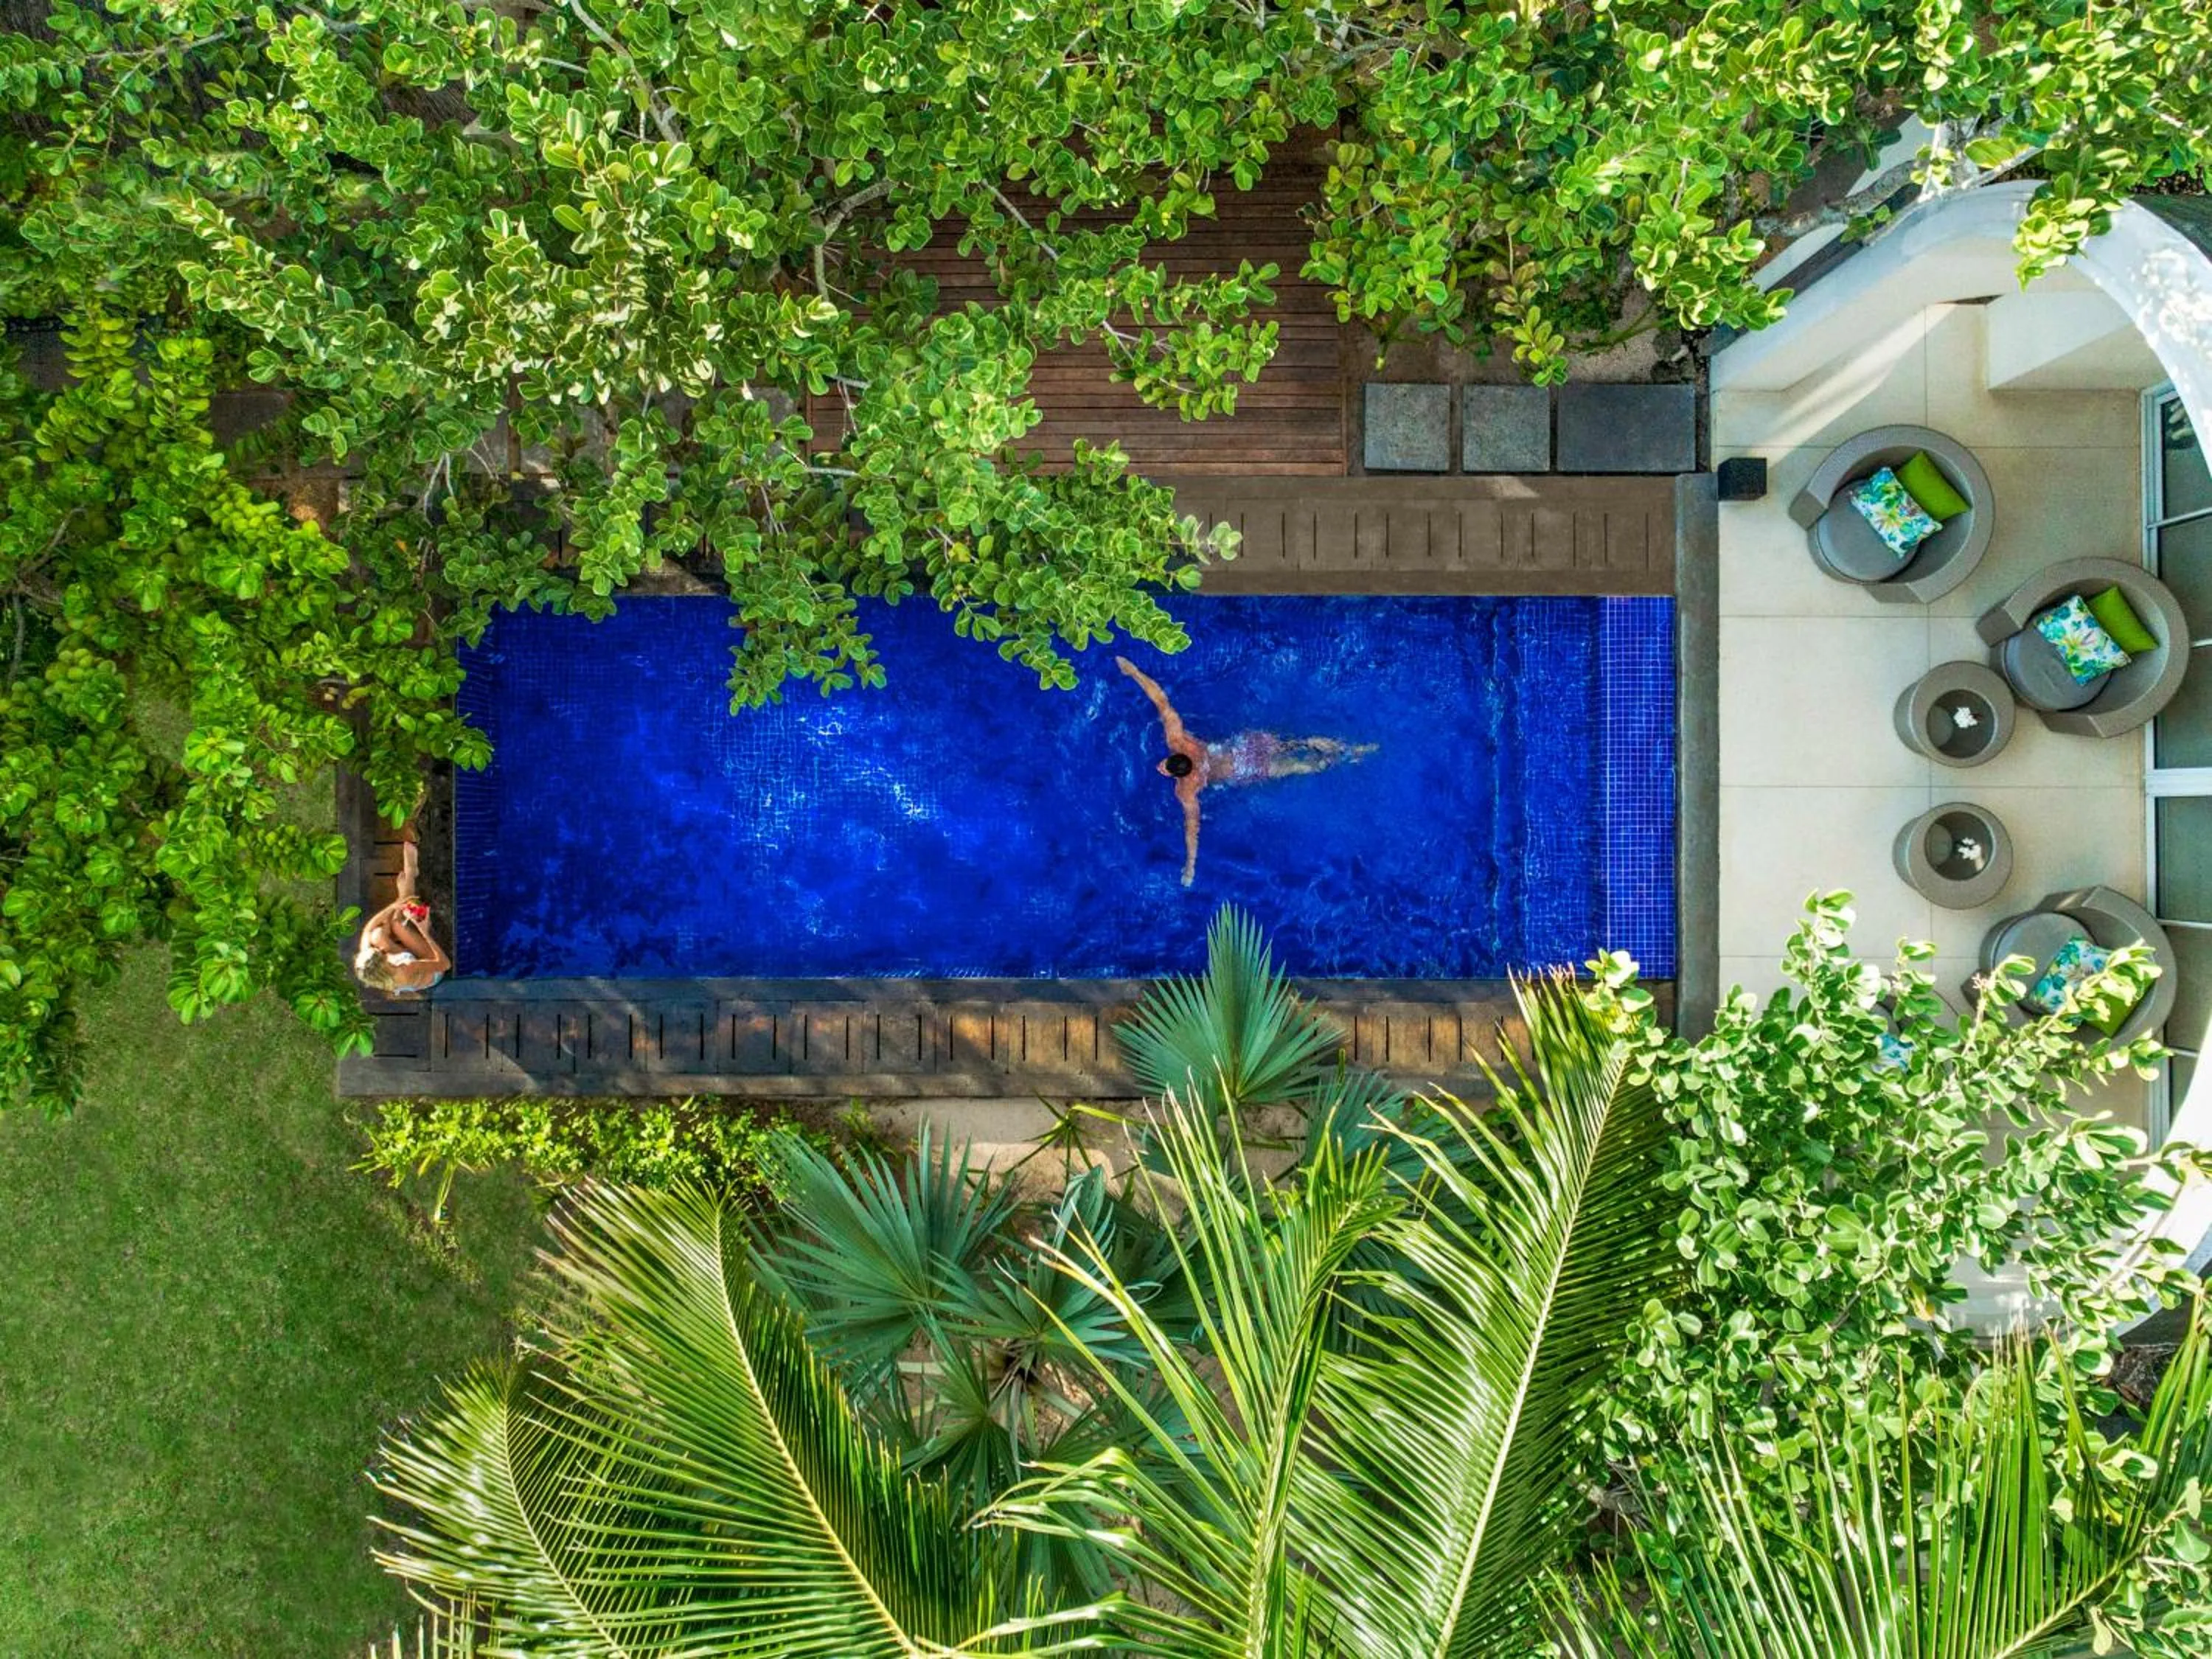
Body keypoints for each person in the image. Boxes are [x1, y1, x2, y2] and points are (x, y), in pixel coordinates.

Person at [1116, 655, 1374, 886]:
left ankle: (1343, 760)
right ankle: (1345, 747)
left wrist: (1190, 866)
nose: (1160, 766)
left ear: (1174, 773)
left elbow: (1191, 826)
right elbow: (1162, 700)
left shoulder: (1187, 788)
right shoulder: (1180, 741)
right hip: (1246, 746)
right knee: (1293, 744)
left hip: (1248, 769)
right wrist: (1134, 671)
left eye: (1164, 767)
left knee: (1298, 767)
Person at [353, 838, 451, 995]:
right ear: (385, 966)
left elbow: (368, 929)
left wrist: (394, 905)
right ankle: (410, 874)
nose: (382, 951)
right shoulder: (406, 970)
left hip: (403, 964)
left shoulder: (371, 969)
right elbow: (444, 964)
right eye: (382, 954)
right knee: (397, 924)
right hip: (434, 970)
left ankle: (405, 894)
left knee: (376, 935)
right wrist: (424, 931)